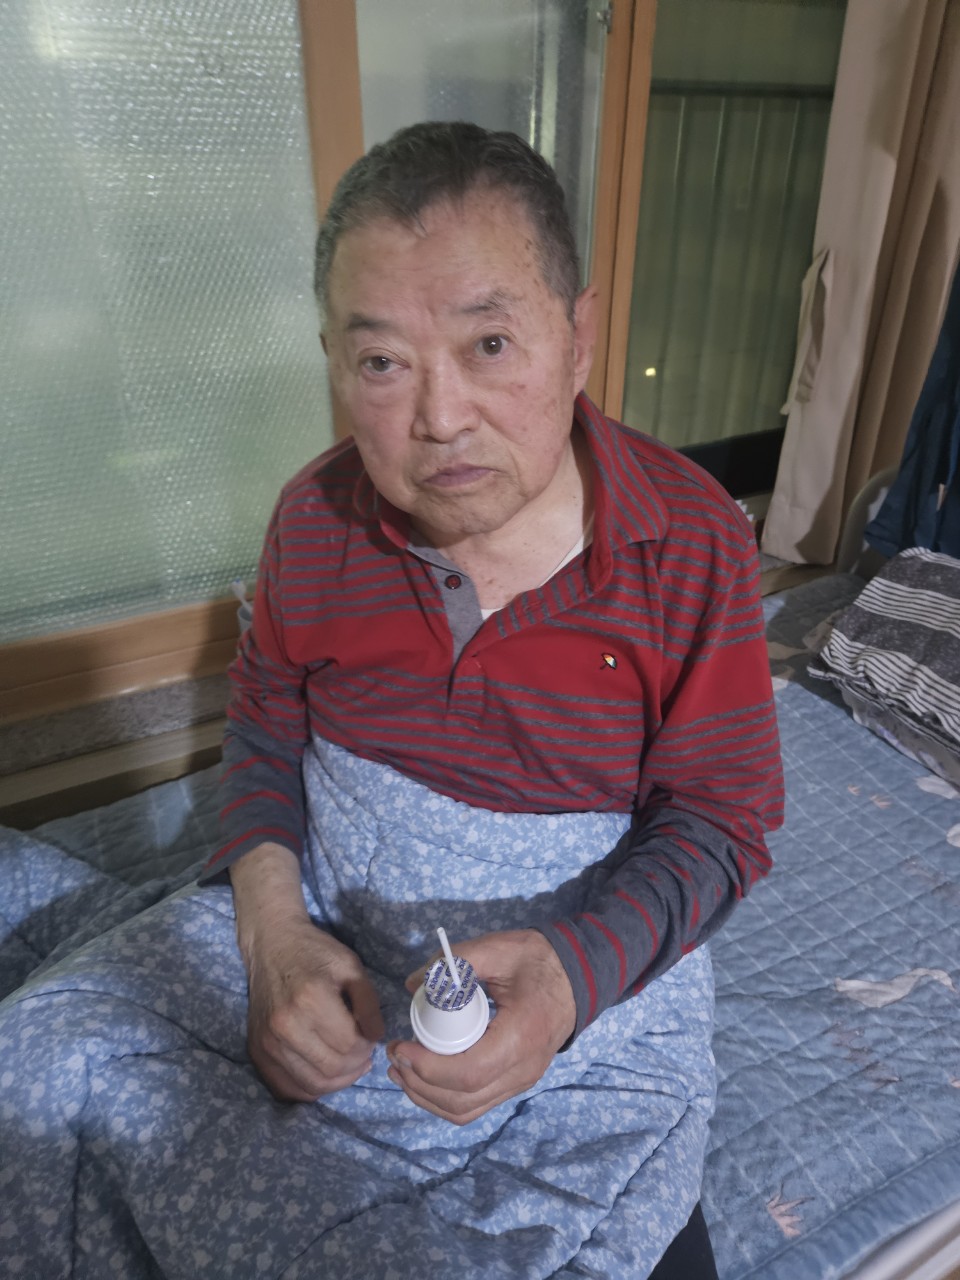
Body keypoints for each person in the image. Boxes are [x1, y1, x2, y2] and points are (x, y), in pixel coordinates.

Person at [0, 121, 782, 1279]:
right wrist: (273, 933)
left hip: (582, 990)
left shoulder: (690, 541)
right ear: (334, 361)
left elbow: (720, 819)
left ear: (578, 338)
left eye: (490, 343)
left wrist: (569, 980)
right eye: (381, 363)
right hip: (325, 925)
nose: (440, 417)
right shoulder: (314, 522)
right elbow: (266, 726)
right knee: (37, 1064)